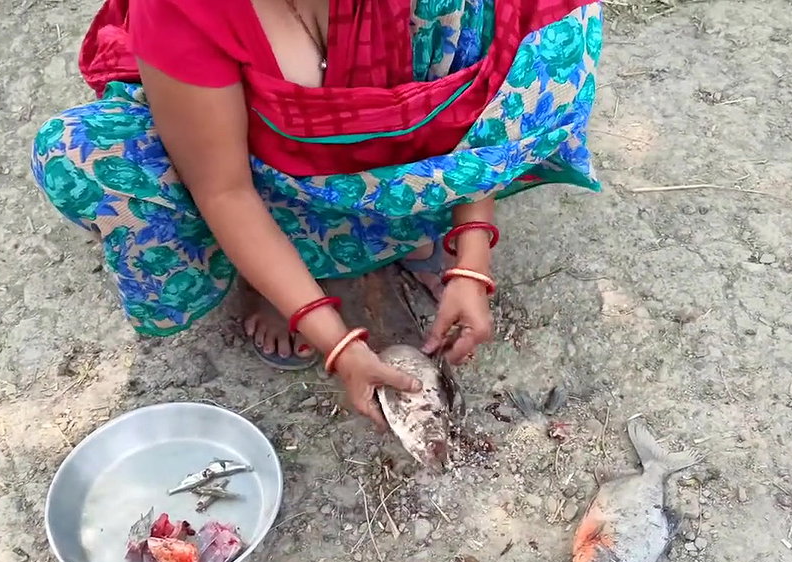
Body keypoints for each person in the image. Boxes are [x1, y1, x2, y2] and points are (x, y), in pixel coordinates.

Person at [31, 0, 602, 428]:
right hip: (262, 171)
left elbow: (477, 108)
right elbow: (224, 190)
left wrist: (472, 252)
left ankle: (400, 229)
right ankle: (285, 275)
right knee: (88, 158)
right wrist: (336, 341)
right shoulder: (184, 8)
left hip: (400, 158)